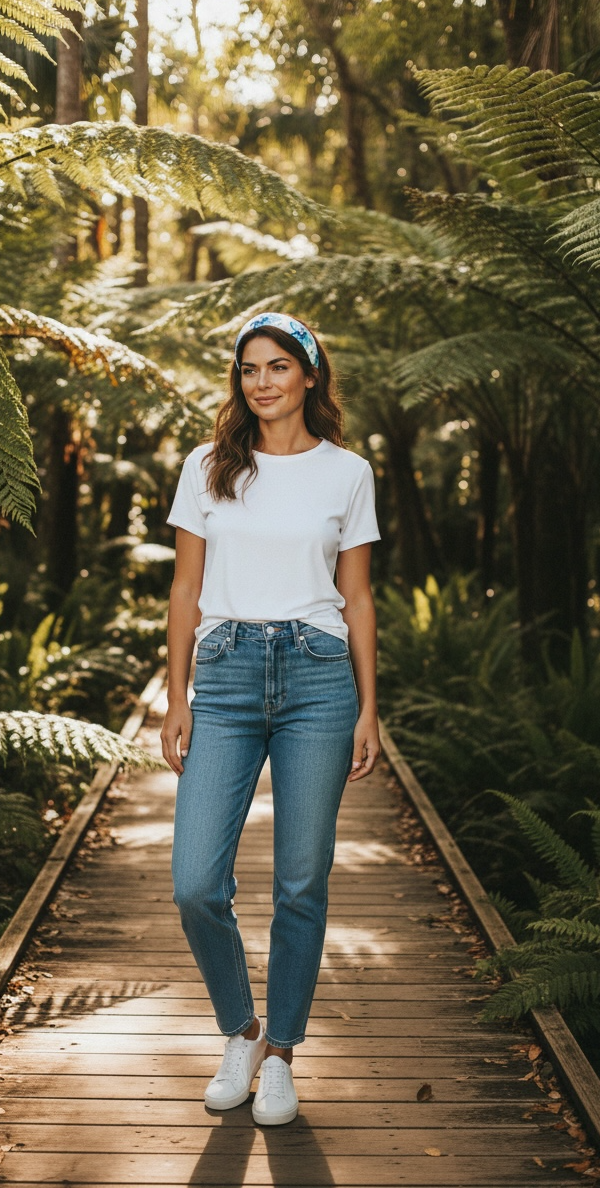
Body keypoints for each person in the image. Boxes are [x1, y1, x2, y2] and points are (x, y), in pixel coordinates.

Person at [161, 310, 381, 1126]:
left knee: (300, 881)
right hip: (221, 677)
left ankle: (282, 1051)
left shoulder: (348, 472)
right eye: (248, 368)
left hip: (319, 679)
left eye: (278, 367)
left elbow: (356, 596)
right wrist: (174, 695)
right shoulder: (208, 468)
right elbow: (185, 589)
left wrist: (369, 710)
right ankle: (241, 1030)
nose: (261, 381)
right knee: (194, 883)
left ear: (310, 376)